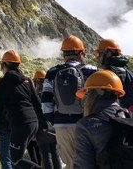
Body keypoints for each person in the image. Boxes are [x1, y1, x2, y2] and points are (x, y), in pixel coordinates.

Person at [0, 50, 45, 169]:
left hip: (20, 124)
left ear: (4, 65)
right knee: (19, 159)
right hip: (33, 123)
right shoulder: (27, 81)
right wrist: (43, 124)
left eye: (1, 66)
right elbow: (37, 104)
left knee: (16, 160)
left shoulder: (3, 82)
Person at [40, 35, 97, 167]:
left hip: (61, 125)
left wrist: (54, 120)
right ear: (81, 53)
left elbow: (46, 102)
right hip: (86, 124)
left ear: (64, 54)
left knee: (70, 163)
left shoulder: (53, 72)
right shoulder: (92, 71)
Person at [28, 69, 61, 169]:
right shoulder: (51, 94)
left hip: (42, 128)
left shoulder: (35, 96)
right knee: (55, 154)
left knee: (46, 156)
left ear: (35, 81)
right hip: (54, 126)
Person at [93, 38, 133, 108]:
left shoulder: (110, 72)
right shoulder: (127, 71)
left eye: (100, 54)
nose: (98, 58)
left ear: (108, 53)